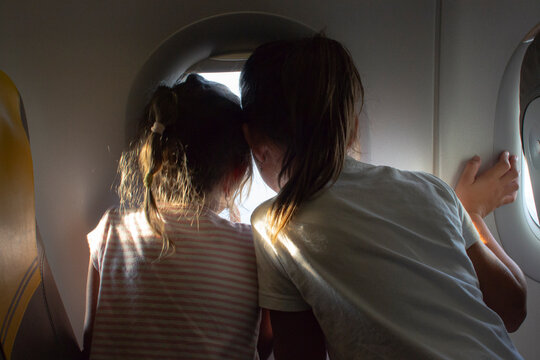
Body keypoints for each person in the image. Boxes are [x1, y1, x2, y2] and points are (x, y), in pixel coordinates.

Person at [240, 35, 527, 359]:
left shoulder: (273, 225)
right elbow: (514, 307)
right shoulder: (432, 191)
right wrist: (469, 213)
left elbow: (300, 353)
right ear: (353, 127)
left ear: (255, 143)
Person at [83, 74, 271, 360]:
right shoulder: (253, 248)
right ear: (237, 172)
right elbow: (266, 343)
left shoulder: (111, 230)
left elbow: (91, 339)